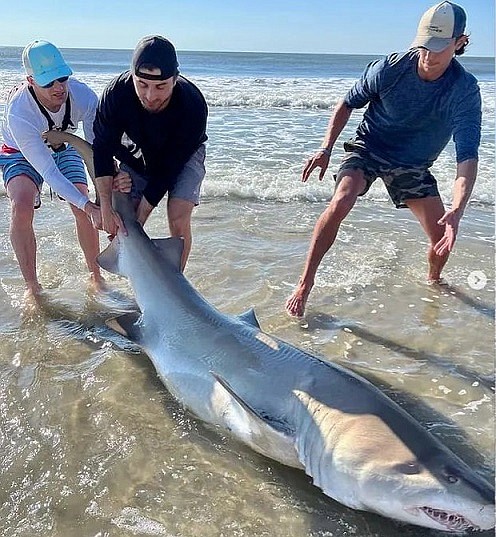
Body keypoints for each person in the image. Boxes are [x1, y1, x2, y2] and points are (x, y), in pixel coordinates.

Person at [286, 1, 481, 318]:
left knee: (442, 238)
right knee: (342, 200)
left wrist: (458, 209)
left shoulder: (464, 91)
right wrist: (326, 148)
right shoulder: (391, 68)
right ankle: (304, 284)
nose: (429, 56)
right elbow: (347, 103)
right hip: (369, 148)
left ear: (460, 42)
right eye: (425, 46)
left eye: (440, 47)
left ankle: (433, 280)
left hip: (413, 164)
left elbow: (467, 156)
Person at [0, 40, 129, 303]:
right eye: (48, 82)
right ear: (31, 80)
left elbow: (96, 150)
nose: (59, 87)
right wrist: (88, 206)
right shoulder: (20, 113)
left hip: (63, 144)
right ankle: (33, 288)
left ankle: (96, 276)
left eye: (62, 78)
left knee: (83, 199)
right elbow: (47, 171)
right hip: (21, 151)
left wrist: (106, 193)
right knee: (22, 205)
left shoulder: (83, 97)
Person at [92, 35, 208, 270]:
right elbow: (103, 148)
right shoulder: (116, 94)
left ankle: (176, 283)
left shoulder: (192, 105)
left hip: (183, 157)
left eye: (161, 86)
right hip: (137, 154)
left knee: (177, 214)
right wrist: (105, 203)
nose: (150, 96)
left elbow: (168, 170)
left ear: (175, 79)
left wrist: (141, 220)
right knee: (121, 222)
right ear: (132, 76)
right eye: (142, 85)